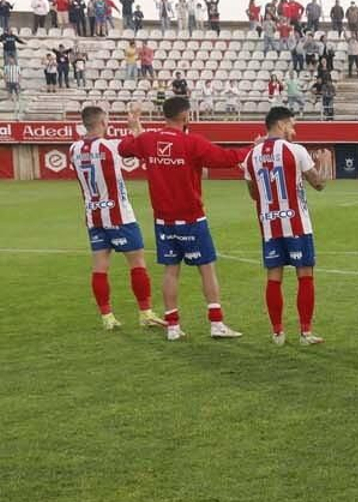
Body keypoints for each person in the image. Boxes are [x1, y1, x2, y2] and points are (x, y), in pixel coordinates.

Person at [119, 98, 250, 341]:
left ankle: (172, 327)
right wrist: (255, 148)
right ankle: (216, 323)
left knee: (171, 270)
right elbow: (225, 158)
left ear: (164, 115)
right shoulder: (192, 142)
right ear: (186, 116)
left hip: (163, 221)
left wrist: (133, 127)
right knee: (207, 268)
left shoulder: (149, 140)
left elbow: (124, 148)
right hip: (191, 218)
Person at [243, 107, 331, 346]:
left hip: (269, 225)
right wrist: (323, 164)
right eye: (291, 125)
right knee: (305, 275)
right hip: (297, 225)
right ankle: (305, 333)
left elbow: (253, 194)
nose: (293, 130)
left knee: (274, 277)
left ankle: (278, 333)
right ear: (281, 125)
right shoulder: (296, 151)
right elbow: (319, 184)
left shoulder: (251, 155)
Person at [70, 106, 159, 330]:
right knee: (137, 263)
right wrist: (134, 124)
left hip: (94, 216)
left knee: (100, 267)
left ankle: (107, 318)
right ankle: (145, 313)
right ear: (102, 122)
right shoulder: (110, 146)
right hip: (120, 215)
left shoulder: (73, 148)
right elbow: (141, 143)